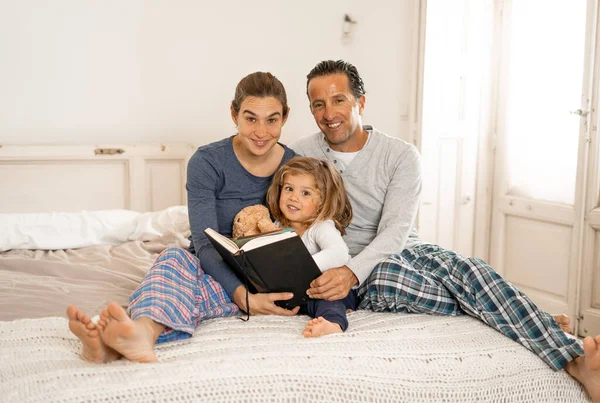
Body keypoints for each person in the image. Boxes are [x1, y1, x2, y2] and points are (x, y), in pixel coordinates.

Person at [291, 59, 600, 401]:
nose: (328, 113)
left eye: (339, 100)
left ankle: (573, 359)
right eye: (318, 104)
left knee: (470, 269)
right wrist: (349, 271)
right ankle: (529, 319)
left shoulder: (400, 155)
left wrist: (350, 273)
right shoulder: (302, 153)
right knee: (394, 277)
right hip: (374, 271)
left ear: (361, 102)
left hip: (404, 250)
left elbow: (396, 232)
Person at [66, 71, 301, 364]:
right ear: (234, 114)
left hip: (265, 277)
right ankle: (135, 336)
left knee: (186, 289)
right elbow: (204, 242)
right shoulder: (207, 162)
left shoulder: (296, 166)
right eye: (250, 118)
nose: (261, 132)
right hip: (211, 266)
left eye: (272, 119)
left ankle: (118, 343)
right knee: (173, 259)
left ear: (285, 117)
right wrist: (240, 295)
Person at [265, 156, 355, 337]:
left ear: (322, 201)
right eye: (289, 189)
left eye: (305, 193)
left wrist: (301, 267)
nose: (293, 197)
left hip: (330, 289)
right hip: (300, 293)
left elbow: (339, 254)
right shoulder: (276, 226)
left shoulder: (321, 226)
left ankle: (333, 323)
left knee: (329, 301)